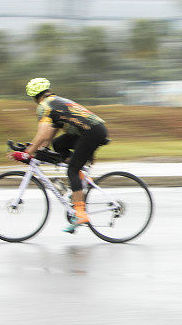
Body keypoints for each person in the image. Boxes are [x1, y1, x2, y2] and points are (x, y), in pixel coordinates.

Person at [7, 78, 109, 232]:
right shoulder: (55, 104)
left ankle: (81, 213)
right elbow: (47, 139)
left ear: (34, 96)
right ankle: (81, 181)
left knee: (71, 170)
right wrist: (30, 148)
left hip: (91, 133)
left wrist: (27, 154)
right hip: (92, 131)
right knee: (59, 144)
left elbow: (41, 135)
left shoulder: (45, 106)